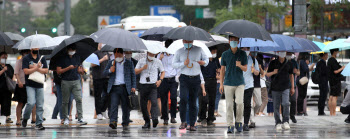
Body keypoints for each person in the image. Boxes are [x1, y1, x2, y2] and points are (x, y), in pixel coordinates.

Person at [172, 39, 209, 131]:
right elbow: (174, 64)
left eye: (189, 41)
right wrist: (183, 63)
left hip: (195, 78)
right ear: (183, 41)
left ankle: (192, 123)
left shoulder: (199, 49)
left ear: (192, 41)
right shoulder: (179, 51)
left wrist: (203, 62)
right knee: (183, 99)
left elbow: (206, 59)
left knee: (193, 102)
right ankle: (183, 121)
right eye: (186, 41)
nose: (187, 43)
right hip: (184, 78)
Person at [219, 36, 248, 133]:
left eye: (235, 40)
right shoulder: (225, 54)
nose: (233, 42)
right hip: (228, 83)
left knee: (239, 103)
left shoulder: (243, 54)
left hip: (239, 83)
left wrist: (240, 65)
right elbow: (222, 70)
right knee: (229, 105)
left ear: (238, 42)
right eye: (232, 40)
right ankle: (230, 125)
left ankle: (239, 122)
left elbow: (246, 68)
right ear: (229, 41)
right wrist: (221, 84)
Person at [103, 48, 136, 130]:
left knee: (125, 106)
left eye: (119, 55)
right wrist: (110, 70)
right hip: (114, 88)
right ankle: (113, 121)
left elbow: (133, 75)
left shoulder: (129, 63)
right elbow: (104, 73)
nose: (117, 56)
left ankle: (125, 121)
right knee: (114, 105)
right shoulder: (111, 63)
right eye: (116, 55)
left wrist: (133, 86)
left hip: (125, 87)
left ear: (123, 54)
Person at [57, 44, 87, 125]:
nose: (72, 51)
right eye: (71, 50)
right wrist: (68, 68)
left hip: (76, 80)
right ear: (67, 49)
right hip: (65, 81)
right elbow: (58, 71)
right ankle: (65, 118)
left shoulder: (77, 57)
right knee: (66, 101)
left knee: (79, 99)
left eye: (73, 50)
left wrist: (81, 71)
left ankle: (80, 118)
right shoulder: (62, 58)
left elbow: (78, 69)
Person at [135, 51, 165, 128]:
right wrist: (142, 68)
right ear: (147, 53)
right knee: (143, 104)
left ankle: (155, 118)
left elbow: (163, 72)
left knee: (154, 101)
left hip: (153, 85)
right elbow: (135, 71)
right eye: (150, 53)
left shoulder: (158, 61)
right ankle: (147, 121)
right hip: (143, 85)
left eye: (153, 54)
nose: (152, 55)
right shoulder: (141, 61)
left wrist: (160, 80)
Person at [266, 51, 295, 131]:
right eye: (280, 51)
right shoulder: (273, 63)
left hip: (285, 87)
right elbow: (267, 74)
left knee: (286, 103)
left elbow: (291, 75)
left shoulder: (289, 63)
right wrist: (274, 72)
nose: (282, 53)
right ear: (278, 52)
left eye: (283, 51)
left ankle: (286, 121)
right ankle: (278, 122)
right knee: (276, 105)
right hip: (275, 88)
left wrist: (292, 87)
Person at [22, 47, 48, 130]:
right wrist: (37, 68)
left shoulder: (42, 58)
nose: (36, 49)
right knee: (31, 103)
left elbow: (46, 70)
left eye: (37, 47)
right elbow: (26, 71)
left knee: (40, 104)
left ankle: (39, 122)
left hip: (40, 84)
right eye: (34, 47)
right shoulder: (26, 58)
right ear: (31, 48)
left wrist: (34, 68)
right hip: (30, 84)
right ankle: (25, 118)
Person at [158, 39, 179, 125]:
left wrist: (177, 77)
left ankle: (173, 117)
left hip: (173, 79)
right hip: (164, 79)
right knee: (164, 99)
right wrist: (160, 58)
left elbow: (178, 67)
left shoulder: (175, 55)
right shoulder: (160, 55)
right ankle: (165, 117)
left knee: (173, 98)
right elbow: (157, 66)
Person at [198, 46, 220, 127]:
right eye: (213, 51)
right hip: (204, 81)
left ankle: (210, 118)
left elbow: (219, 69)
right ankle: (202, 117)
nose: (215, 53)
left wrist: (218, 71)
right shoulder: (204, 60)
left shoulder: (216, 60)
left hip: (213, 81)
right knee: (204, 100)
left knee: (212, 100)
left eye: (215, 51)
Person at [13, 50, 36, 126]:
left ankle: (33, 118)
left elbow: (34, 71)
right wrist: (19, 82)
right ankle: (18, 119)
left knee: (32, 102)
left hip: (30, 83)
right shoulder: (19, 62)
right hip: (21, 84)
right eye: (25, 53)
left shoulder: (31, 61)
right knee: (20, 103)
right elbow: (16, 73)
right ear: (22, 54)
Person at [239, 47, 259, 131]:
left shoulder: (253, 60)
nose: (245, 50)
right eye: (243, 49)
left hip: (249, 85)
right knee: (239, 105)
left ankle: (246, 123)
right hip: (238, 85)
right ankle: (238, 122)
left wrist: (254, 70)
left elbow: (257, 73)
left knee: (247, 105)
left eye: (247, 49)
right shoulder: (237, 59)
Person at [91, 43, 110, 120]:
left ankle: (103, 109)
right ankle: (98, 113)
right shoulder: (95, 53)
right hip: (97, 77)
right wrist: (103, 59)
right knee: (98, 96)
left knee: (108, 95)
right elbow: (92, 64)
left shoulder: (107, 53)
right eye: (101, 42)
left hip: (106, 77)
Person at [327, 48, 345, 116]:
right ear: (334, 52)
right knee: (334, 97)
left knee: (331, 96)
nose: (338, 53)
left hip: (331, 80)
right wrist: (342, 68)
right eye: (337, 52)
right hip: (335, 80)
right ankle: (333, 112)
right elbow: (335, 71)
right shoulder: (333, 60)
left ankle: (331, 112)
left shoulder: (329, 60)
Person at [249, 51, 263, 128]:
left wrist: (257, 69)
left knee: (259, 103)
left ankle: (251, 115)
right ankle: (252, 120)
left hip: (257, 84)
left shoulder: (257, 60)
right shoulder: (246, 59)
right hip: (249, 84)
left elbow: (261, 73)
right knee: (250, 104)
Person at [0, 52, 14, 124]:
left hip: (7, 88)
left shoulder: (9, 66)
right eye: (3, 57)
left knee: (7, 102)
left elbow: (13, 74)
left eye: (5, 57)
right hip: (0, 87)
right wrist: (3, 70)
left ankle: (8, 117)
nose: (4, 59)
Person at [286, 52, 298, 123]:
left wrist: (296, 71)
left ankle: (292, 115)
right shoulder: (283, 61)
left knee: (293, 101)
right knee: (285, 102)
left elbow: (298, 72)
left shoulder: (294, 62)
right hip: (285, 84)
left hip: (293, 84)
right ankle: (285, 116)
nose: (289, 54)